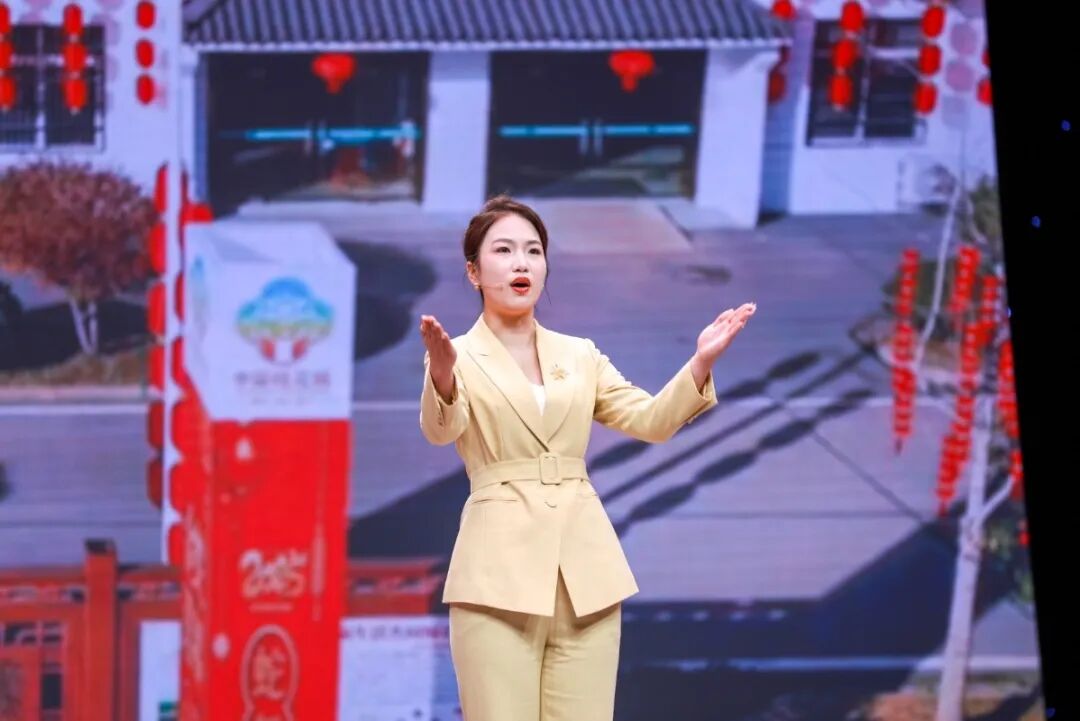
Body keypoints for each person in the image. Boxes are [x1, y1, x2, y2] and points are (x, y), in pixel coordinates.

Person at [418, 195, 755, 721]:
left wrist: (699, 363)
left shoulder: (579, 355)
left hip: (585, 576)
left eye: (533, 251)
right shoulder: (455, 355)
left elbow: (650, 420)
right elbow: (442, 431)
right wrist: (441, 376)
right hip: (496, 578)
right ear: (473, 271)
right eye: (503, 250)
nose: (521, 263)